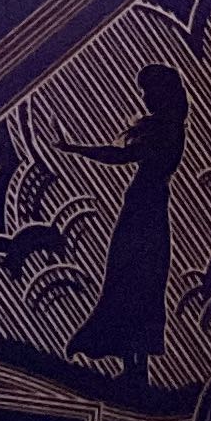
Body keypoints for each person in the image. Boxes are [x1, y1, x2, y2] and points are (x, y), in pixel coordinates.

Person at [62, 65, 189, 384]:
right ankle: (133, 365)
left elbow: (120, 156)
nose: (144, 97)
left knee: (136, 279)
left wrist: (76, 149)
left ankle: (135, 367)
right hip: (145, 207)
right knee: (133, 279)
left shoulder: (167, 130)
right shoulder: (167, 128)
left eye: (149, 90)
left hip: (145, 210)